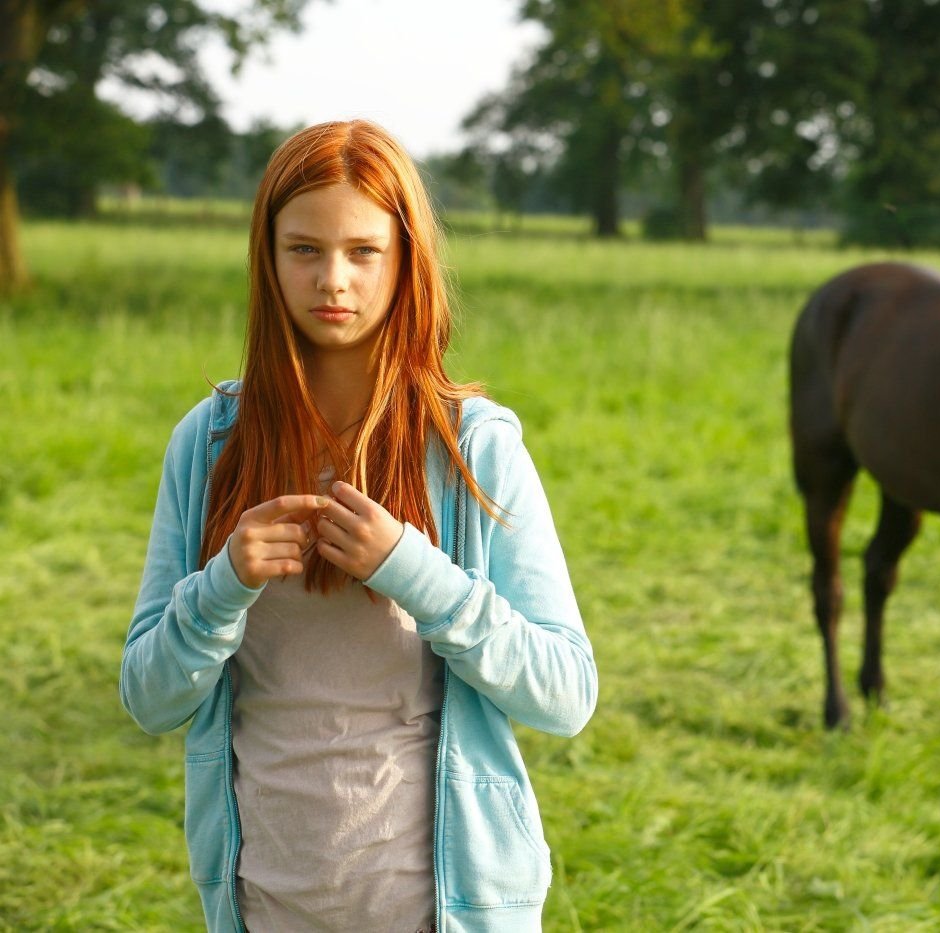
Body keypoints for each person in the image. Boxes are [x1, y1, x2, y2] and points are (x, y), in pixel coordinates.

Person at [121, 119, 597, 932]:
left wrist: (417, 571)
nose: (331, 279)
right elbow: (149, 696)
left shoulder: (474, 445)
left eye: (363, 251)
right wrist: (221, 586)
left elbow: (565, 693)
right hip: (264, 904)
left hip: (446, 910)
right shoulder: (209, 443)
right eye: (303, 249)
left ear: (405, 259)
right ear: (266, 259)